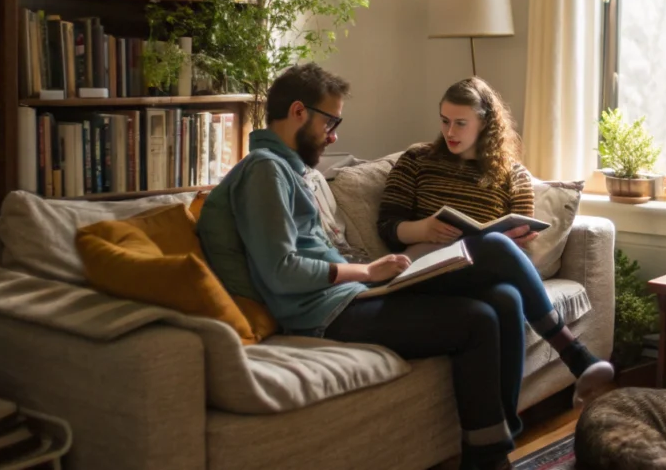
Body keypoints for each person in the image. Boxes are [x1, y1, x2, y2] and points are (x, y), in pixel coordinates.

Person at [197, 64, 516, 470]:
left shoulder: (288, 170)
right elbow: (281, 269)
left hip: (352, 298)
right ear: (299, 112)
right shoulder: (264, 170)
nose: (334, 135)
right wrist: (366, 273)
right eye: (331, 121)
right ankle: (488, 462)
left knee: (496, 296)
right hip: (325, 314)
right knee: (477, 321)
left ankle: (497, 447)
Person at [377, 77, 615, 430]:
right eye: (444, 121)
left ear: (485, 123)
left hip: (477, 274)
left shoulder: (512, 175)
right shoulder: (417, 160)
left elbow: (522, 239)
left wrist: (514, 241)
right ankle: (574, 353)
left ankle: (498, 440)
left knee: (506, 299)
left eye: (461, 123)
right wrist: (423, 228)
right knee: (495, 251)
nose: (450, 132)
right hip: (424, 272)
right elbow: (387, 226)